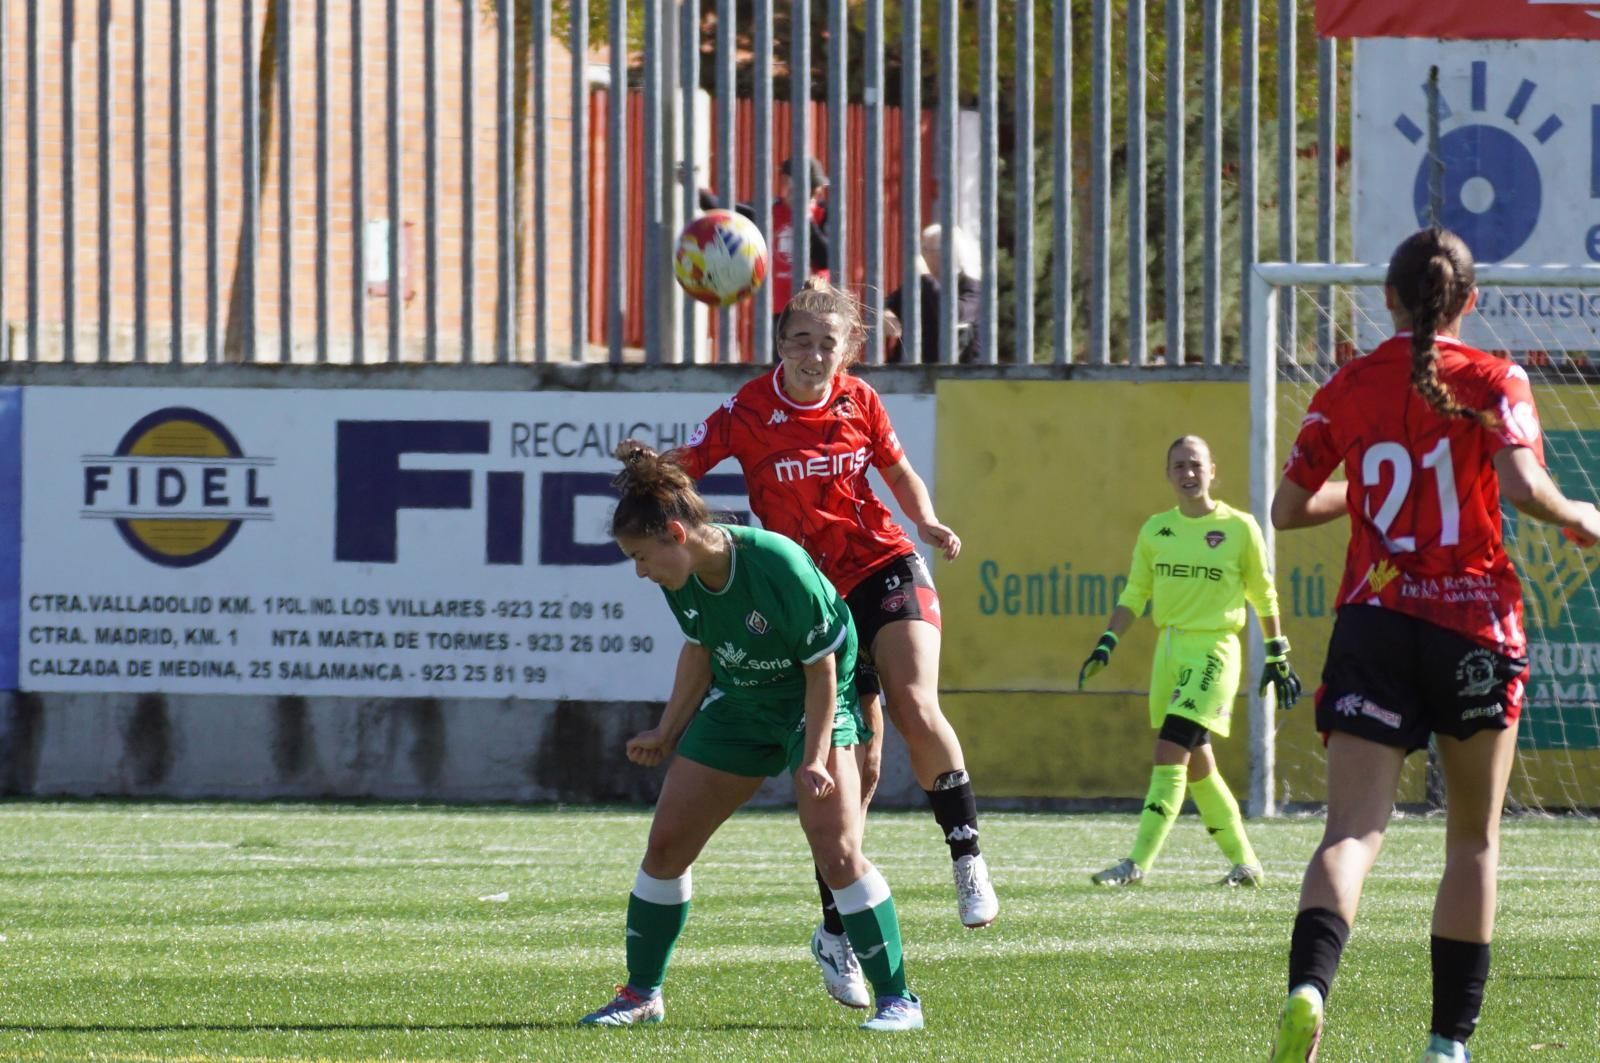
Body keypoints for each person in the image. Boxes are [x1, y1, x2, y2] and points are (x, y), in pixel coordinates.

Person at [1266, 226, 1600, 1062]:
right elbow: (1524, 487)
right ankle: (1446, 1044)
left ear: (1387, 297)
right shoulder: (1493, 377)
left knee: (1350, 832)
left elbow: (1288, 507)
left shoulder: (1347, 384)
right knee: (1473, 838)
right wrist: (1579, 515)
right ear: (1470, 301)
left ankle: (1310, 987)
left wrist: (1373, 489)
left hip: (1374, 622)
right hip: (1473, 625)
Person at [672, 275, 998, 1008]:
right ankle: (835, 930)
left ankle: (967, 854)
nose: (814, 355)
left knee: (916, 701)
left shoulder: (860, 400)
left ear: (850, 347)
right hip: (812, 597)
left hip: (883, 563)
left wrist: (929, 521)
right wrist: (654, 496)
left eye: (829, 342)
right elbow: (684, 468)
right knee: (863, 770)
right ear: (780, 346)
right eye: (800, 341)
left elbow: (898, 470)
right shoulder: (746, 409)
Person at [579, 441, 923, 1033]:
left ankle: (899, 1001)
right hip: (741, 704)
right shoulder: (679, 577)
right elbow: (701, 646)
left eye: (640, 556)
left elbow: (821, 670)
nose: (640, 570)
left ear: (676, 535)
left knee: (836, 849)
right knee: (665, 848)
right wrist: (668, 730)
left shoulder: (776, 563)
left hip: (811, 701)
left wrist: (814, 758)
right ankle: (641, 995)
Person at [1077, 435, 1301, 889]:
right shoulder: (1156, 530)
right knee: (1199, 764)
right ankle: (1246, 864)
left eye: (1196, 465)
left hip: (1215, 649)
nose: (1188, 473)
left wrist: (1277, 649)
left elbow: (1263, 592)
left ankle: (1137, 864)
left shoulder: (1240, 528)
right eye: (1179, 466)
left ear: (1212, 471)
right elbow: (1134, 595)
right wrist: (1107, 641)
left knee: (1170, 748)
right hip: (1170, 651)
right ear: (1168, 474)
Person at [690, 155, 830, 314]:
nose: (813, 196)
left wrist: (804, 217)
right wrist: (692, 186)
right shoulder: (768, 211)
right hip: (778, 311)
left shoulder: (823, 213)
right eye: (810, 189)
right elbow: (723, 209)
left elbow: (824, 259)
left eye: (816, 191)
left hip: (816, 309)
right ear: (786, 184)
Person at [883, 223, 982, 364]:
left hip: (956, 374)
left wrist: (926, 277)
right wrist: (885, 313)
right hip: (910, 369)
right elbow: (884, 302)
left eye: (926, 249)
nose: (921, 255)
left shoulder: (971, 286)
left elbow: (955, 315)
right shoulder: (920, 284)